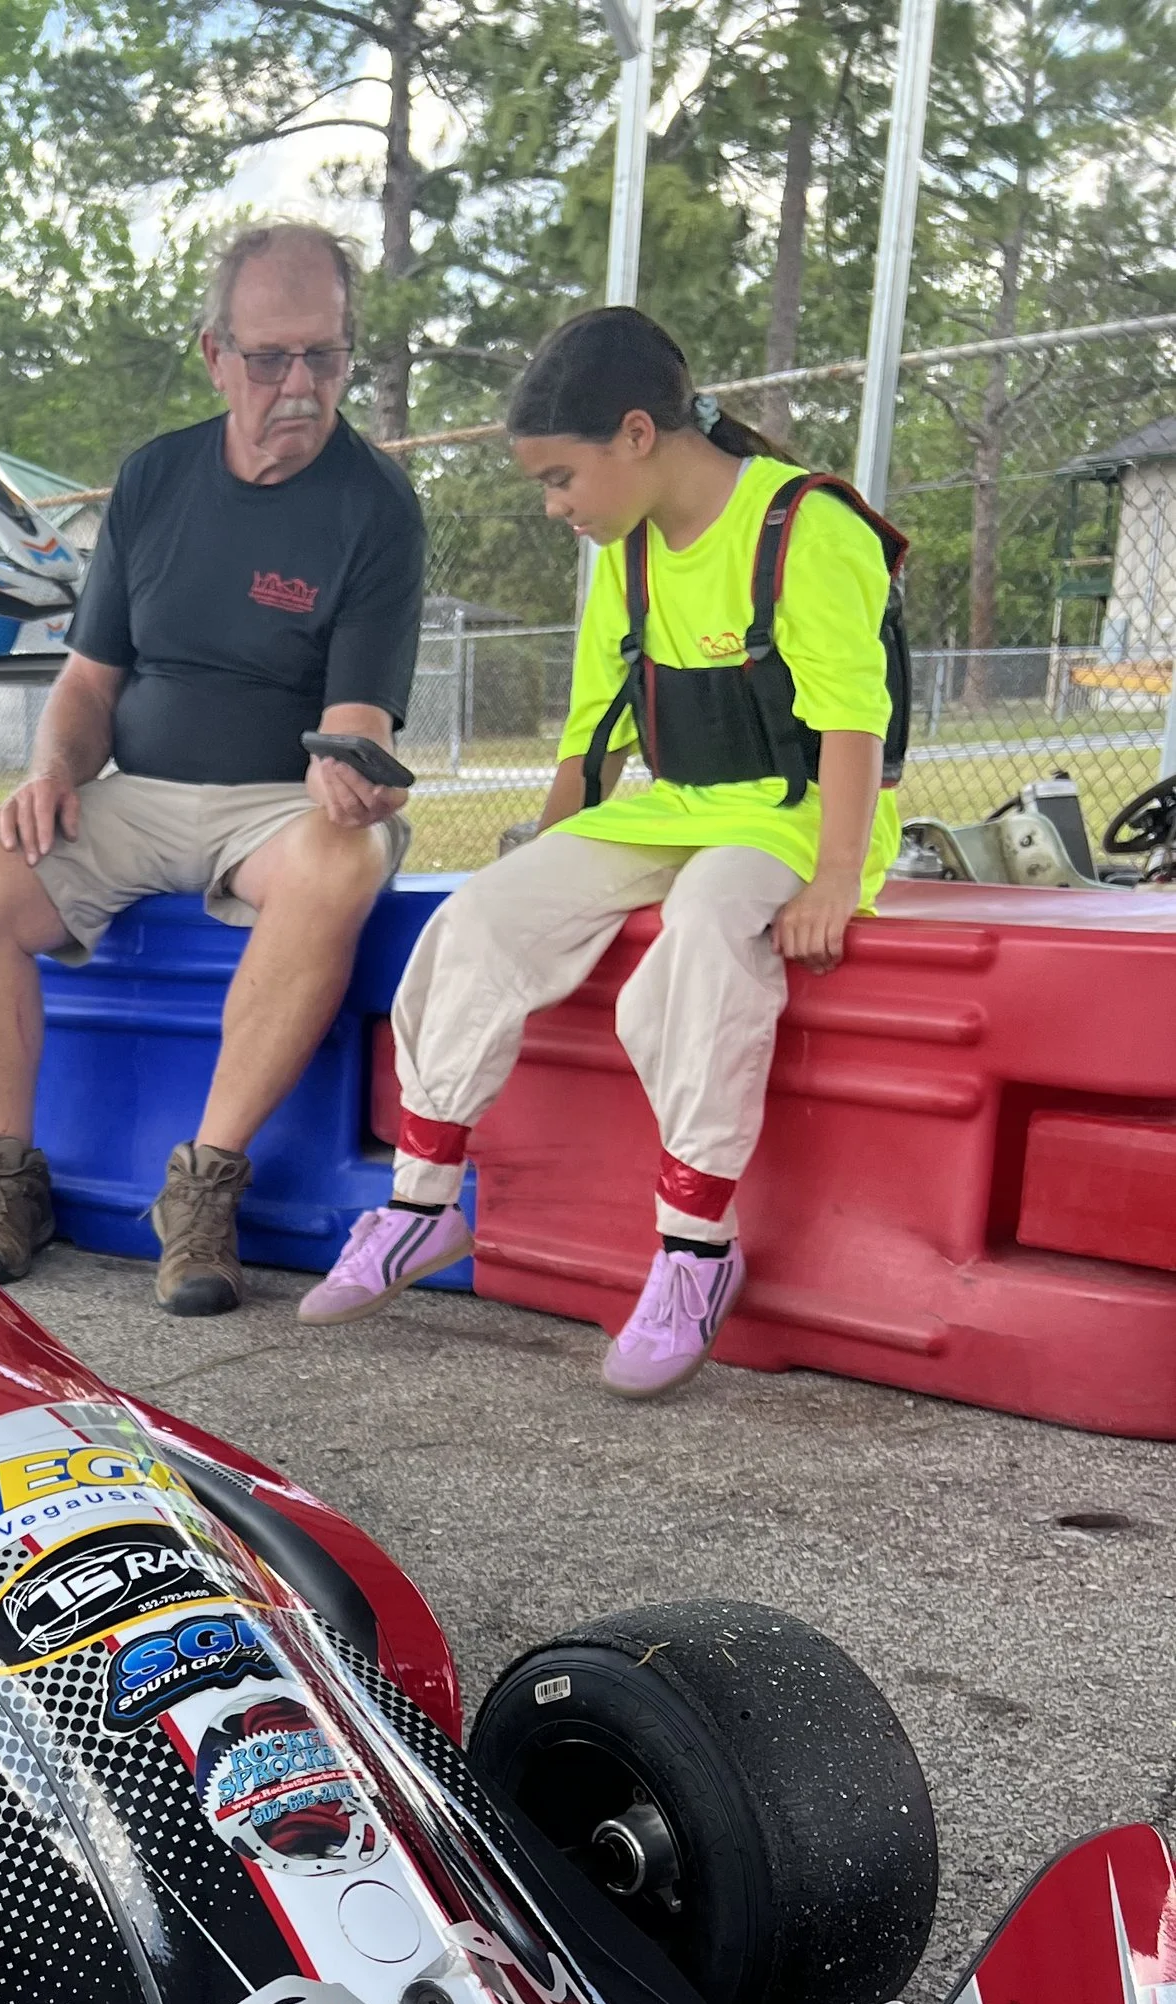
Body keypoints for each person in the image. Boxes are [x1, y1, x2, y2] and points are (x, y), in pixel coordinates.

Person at [304, 304, 904, 1396]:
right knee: (481, 915)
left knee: (710, 921)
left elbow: (853, 724)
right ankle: (420, 1205)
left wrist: (831, 879)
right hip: (672, 809)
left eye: (561, 478)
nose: (554, 506)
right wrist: (537, 862)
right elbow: (592, 742)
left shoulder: (805, 527)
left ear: (637, 434)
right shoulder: (625, 559)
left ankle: (693, 1252)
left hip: (795, 814)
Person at [0, 219, 426, 1315]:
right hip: (137, 797)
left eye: (325, 355)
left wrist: (350, 776)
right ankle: (9, 1179)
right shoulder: (153, 479)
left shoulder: (376, 507)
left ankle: (201, 1188)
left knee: (343, 860)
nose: (299, 383)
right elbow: (89, 685)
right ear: (215, 355)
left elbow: (356, 713)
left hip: (277, 806)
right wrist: (52, 770)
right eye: (270, 357)